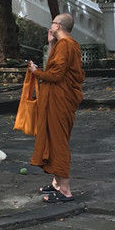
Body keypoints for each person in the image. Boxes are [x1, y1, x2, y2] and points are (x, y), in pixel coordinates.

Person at [28, 12, 85, 203]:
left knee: (59, 142)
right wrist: (51, 43)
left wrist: (37, 73)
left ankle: (66, 190)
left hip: (61, 99)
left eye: (52, 24)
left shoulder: (67, 45)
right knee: (54, 139)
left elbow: (56, 75)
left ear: (58, 26)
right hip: (58, 98)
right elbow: (55, 66)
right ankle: (56, 183)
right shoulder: (66, 44)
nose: (50, 26)